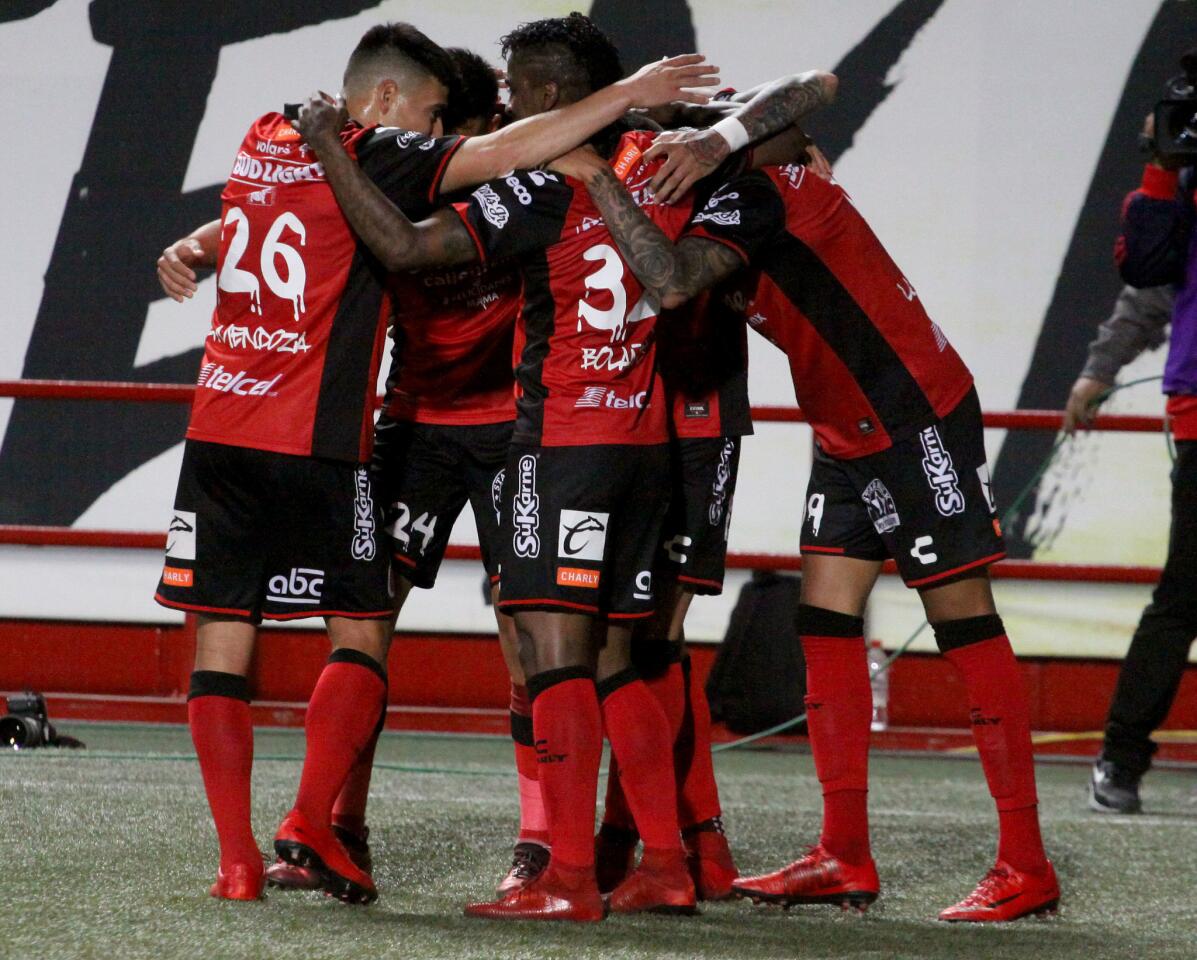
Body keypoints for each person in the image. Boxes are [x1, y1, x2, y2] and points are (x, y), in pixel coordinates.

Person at [154, 20, 720, 904]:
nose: (442, 137)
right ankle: (337, 825)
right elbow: (298, 213)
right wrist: (202, 243)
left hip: (512, 433)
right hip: (411, 423)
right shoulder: (406, 170)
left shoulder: (497, 180)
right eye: (437, 124)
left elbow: (330, 213)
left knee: (533, 641)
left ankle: (543, 843)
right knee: (381, 622)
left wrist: (678, 124)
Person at [292, 11, 835, 920]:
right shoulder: (676, 148)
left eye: (512, 95)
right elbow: (805, 101)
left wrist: (327, 147)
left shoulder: (546, 178)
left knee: (558, 652)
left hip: (562, 439)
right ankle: (668, 855)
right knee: (628, 650)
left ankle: (568, 868)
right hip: (651, 435)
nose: (501, 110)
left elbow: (406, 245)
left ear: (544, 97)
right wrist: (736, 140)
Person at [553, 139, 1059, 921]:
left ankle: (1026, 864)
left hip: (907, 411)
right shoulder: (744, 183)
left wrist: (597, 178)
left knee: (966, 627)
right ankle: (844, 853)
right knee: (822, 625)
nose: (644, 176)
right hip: (845, 423)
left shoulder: (745, 196)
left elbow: (675, 272)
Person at [1079, 107, 1196, 813]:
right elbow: (1146, 270)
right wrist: (1161, 162)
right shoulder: (1179, 189)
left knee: (1180, 598)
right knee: (1183, 595)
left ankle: (1120, 758)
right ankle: (1120, 759)